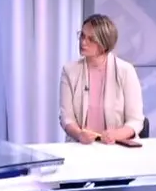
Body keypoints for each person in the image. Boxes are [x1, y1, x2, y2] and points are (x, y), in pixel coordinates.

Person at [59, 14, 144, 144]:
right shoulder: (69, 71)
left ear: (104, 44)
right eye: (82, 36)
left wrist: (116, 135)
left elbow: (136, 121)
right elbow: (66, 118)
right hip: (80, 146)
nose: (83, 42)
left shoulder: (126, 71)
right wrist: (79, 134)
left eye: (91, 39)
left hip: (117, 147)